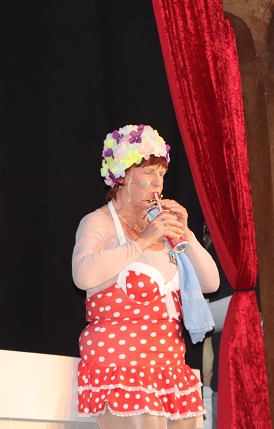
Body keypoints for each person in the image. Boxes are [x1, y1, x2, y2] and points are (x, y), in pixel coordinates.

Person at [72, 124, 219, 428]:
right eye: (148, 172)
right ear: (122, 175)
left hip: (170, 365)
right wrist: (142, 241)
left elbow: (211, 283)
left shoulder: (162, 227)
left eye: (162, 174)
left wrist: (187, 233)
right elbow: (82, 275)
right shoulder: (100, 222)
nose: (157, 183)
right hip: (121, 365)